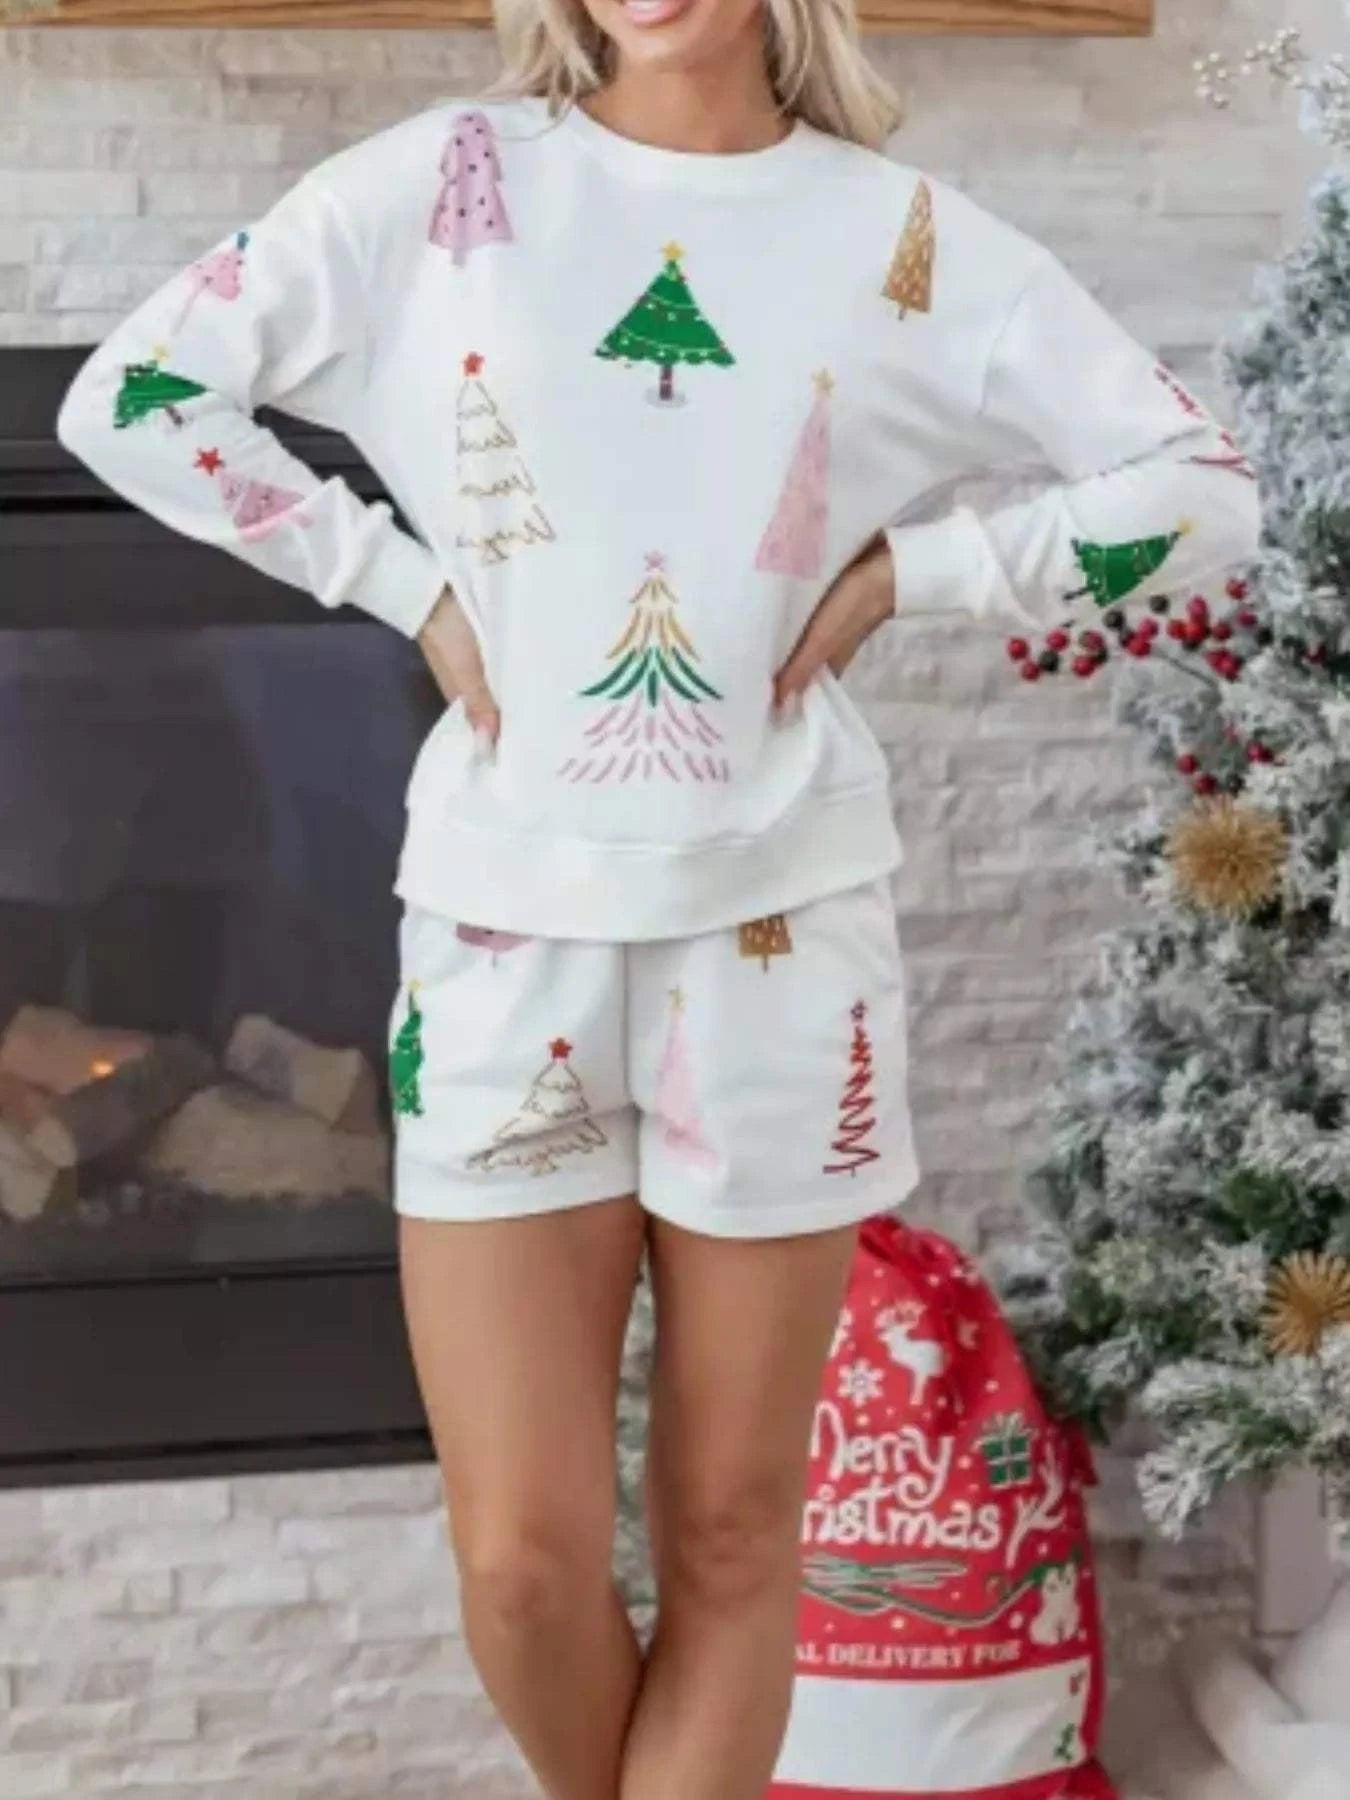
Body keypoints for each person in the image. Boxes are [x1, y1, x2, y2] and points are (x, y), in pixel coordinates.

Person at [55, 1, 1261, 1793]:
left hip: (782, 942)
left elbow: (1207, 492)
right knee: (520, 1564)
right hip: (499, 933)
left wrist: (920, 572)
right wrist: (395, 582)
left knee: (727, 1537)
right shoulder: (441, 187)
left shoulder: (900, 238)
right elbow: (130, 398)